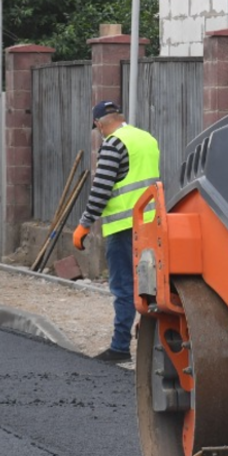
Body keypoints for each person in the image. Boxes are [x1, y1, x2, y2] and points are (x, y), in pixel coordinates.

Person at [71, 100, 160, 364]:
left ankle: (120, 347)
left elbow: (101, 189)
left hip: (123, 228)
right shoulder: (147, 139)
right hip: (151, 224)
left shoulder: (113, 143)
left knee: (123, 287)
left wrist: (84, 225)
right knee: (150, 286)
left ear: (99, 124)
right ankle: (153, 349)